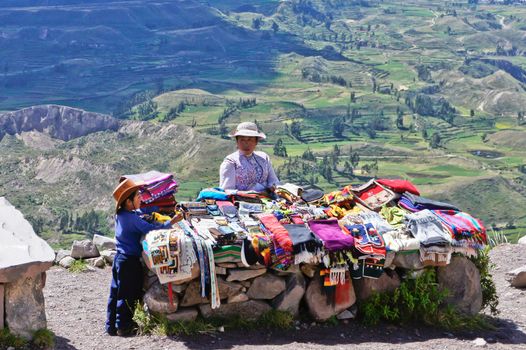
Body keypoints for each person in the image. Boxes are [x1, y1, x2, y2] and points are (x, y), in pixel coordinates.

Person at [105, 178, 181, 337]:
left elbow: (140, 213)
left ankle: (111, 325)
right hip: (129, 261)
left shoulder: (123, 214)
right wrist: (172, 221)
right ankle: (124, 326)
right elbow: (151, 228)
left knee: (116, 292)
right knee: (128, 292)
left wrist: (156, 207)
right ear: (128, 202)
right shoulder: (132, 219)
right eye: (138, 196)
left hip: (119, 259)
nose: (141, 198)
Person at [219, 121, 279, 193]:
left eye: (250, 139)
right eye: (242, 140)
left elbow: (274, 181)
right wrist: (247, 194)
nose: (246, 143)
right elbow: (226, 190)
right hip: (241, 201)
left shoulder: (264, 158)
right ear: (237, 141)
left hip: (267, 198)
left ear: (256, 141)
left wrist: (272, 187)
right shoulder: (231, 161)